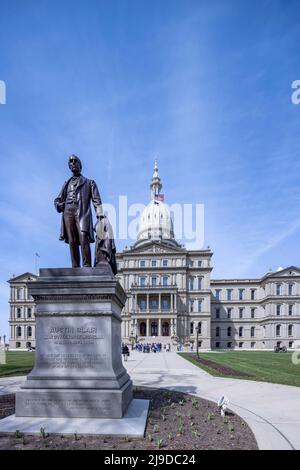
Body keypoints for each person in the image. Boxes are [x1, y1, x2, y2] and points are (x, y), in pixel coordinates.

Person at [54, 155, 104, 268]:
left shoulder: (89, 182)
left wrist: (100, 214)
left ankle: (86, 266)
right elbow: (57, 199)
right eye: (70, 162)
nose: (72, 163)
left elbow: (97, 200)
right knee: (72, 240)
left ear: (80, 165)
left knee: (83, 237)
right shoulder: (66, 184)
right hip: (68, 212)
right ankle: (75, 267)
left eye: (75, 161)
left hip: (82, 212)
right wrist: (58, 205)